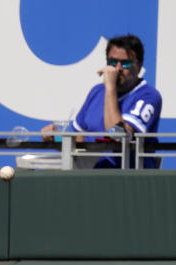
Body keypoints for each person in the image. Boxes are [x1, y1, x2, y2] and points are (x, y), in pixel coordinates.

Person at [42, 35, 162, 169]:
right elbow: (80, 140)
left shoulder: (148, 96)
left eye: (125, 63)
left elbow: (118, 135)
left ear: (139, 66)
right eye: (112, 62)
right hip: (91, 176)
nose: (117, 68)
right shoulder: (97, 91)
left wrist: (110, 87)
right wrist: (57, 139)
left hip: (128, 179)